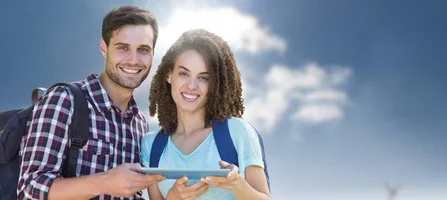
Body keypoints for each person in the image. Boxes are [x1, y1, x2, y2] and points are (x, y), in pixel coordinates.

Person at [17, 5, 165, 200]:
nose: (134, 60)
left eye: (143, 50)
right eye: (123, 48)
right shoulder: (64, 100)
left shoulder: (139, 122)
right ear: (104, 48)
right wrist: (104, 182)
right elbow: (30, 188)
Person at [141, 29, 271, 200]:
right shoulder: (151, 145)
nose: (192, 85)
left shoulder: (237, 132)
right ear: (169, 75)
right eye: (183, 73)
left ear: (215, 84)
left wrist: (236, 184)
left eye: (203, 77)